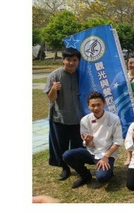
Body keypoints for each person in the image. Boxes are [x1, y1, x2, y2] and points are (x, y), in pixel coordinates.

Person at [62, 91, 124, 188]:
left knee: (102, 178)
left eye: (98, 105)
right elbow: (88, 145)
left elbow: (118, 142)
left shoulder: (114, 118)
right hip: (92, 152)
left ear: (104, 103)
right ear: (88, 106)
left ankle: (108, 171)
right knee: (67, 155)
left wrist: (106, 157)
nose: (96, 108)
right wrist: (88, 141)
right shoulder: (85, 120)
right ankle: (85, 175)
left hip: (107, 153)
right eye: (93, 105)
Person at [44, 47, 84, 182]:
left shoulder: (81, 75)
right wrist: (54, 89)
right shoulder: (54, 75)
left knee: (78, 145)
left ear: (78, 61)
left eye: (74, 60)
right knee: (60, 145)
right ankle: (64, 168)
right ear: (63, 60)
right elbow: (51, 98)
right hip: (59, 117)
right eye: (68, 60)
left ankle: (79, 168)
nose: (71, 63)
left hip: (79, 117)